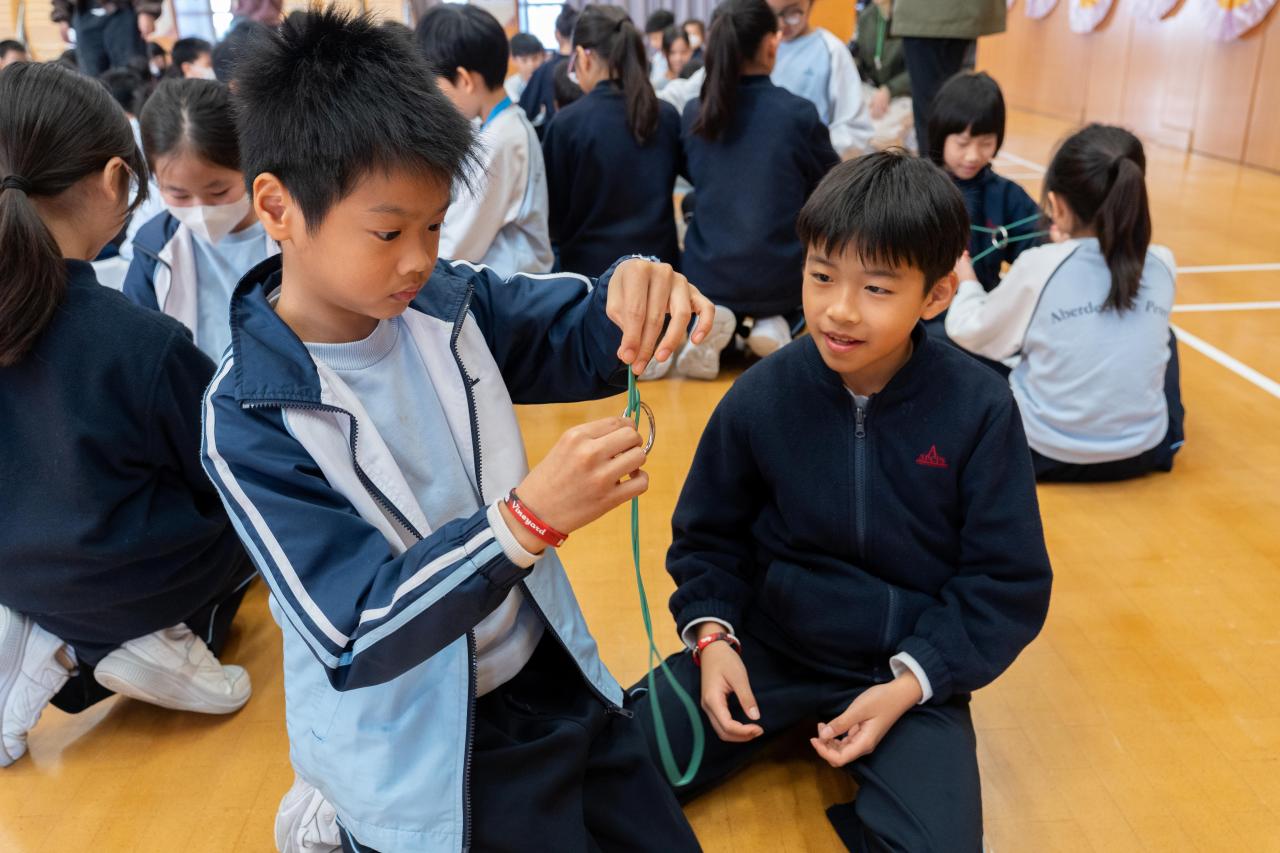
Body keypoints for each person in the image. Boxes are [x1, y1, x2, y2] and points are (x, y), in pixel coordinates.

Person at [206, 11, 714, 851]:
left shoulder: (444, 300)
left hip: (544, 672)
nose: (418, 257)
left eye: (435, 225)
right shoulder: (251, 414)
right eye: (389, 231)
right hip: (419, 741)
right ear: (278, 207)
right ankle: (336, 820)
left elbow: (573, 328)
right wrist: (526, 520)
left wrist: (635, 285)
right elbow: (355, 629)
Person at [631, 150, 1052, 852]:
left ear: (937, 296)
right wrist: (712, 638)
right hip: (769, 648)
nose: (839, 310)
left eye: (877, 288)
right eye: (821, 275)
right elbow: (708, 537)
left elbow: (1006, 580)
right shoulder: (763, 395)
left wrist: (913, 680)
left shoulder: (979, 409)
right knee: (604, 762)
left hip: (902, 667)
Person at [0, 62, 256, 768]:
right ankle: (140, 636)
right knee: (255, 513)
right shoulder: (140, 342)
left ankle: (45, 628)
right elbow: (225, 465)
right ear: (119, 179)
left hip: (16, 572)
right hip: (140, 586)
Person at [946, 124, 1184, 482]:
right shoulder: (1163, 263)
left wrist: (967, 281)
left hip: (1043, 453)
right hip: (1144, 450)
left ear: (1057, 204)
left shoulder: (1041, 265)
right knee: (1166, 336)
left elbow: (969, 330)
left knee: (953, 343)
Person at [663, 0, 837, 381]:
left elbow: (696, 174)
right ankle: (773, 322)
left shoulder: (694, 112)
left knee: (698, 206)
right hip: (779, 279)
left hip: (706, 275)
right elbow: (833, 188)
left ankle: (714, 324)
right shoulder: (798, 114)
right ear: (771, 44)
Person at [123, 79, 276, 361]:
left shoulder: (294, 232)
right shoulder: (153, 249)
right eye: (178, 195)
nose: (200, 209)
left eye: (219, 192)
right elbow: (142, 348)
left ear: (250, 166)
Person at [542, 4, 683, 276]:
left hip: (591, 278)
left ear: (584, 57)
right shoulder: (664, 115)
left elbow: (553, 218)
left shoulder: (566, 124)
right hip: (660, 272)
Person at [416, 4, 553, 277]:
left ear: (465, 80)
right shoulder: (503, 124)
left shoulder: (499, 140)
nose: (437, 99)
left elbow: (457, 245)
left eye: (437, 88)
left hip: (510, 285)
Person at [928, 72, 1043, 293]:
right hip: (926, 309)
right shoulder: (915, 188)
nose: (973, 155)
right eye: (962, 143)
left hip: (981, 305)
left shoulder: (1006, 195)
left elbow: (1036, 248)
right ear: (940, 136)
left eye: (986, 143)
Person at [890, 0, 1006, 154]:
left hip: (926, 15)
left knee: (933, 113)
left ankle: (934, 166)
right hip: (966, 14)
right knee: (954, 108)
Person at [766, 0, 872, 159]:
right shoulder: (758, 48)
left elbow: (854, 128)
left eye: (793, 13)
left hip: (811, 160)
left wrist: (816, 151)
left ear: (810, 5)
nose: (781, 24)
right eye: (772, 13)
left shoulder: (831, 51)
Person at [853, 0, 914, 151]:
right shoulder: (867, 16)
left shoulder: (914, 16)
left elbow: (921, 68)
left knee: (885, 137)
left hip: (906, 95)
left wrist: (889, 89)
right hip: (873, 91)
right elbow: (859, 57)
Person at [52, 0, 157, 75]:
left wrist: (146, 9)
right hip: (83, 11)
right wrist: (62, 14)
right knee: (90, 80)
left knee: (132, 75)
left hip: (124, 9)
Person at [519, 3, 578, 136]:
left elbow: (526, 111)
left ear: (557, 34)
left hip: (557, 139)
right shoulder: (588, 68)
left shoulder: (545, 70)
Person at [505, 32, 546, 102]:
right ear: (513, 60)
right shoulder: (510, 86)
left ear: (543, 56)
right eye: (524, 60)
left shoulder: (549, 80)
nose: (531, 65)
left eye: (535, 58)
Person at [645, 8, 676, 86]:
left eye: (655, 38)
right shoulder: (657, 57)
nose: (653, 44)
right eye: (650, 39)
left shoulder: (677, 57)